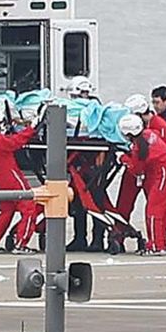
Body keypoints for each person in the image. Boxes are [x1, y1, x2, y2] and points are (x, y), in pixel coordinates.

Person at [114, 94, 166, 253]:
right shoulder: (148, 134)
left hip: (160, 173)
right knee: (160, 210)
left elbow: (137, 168)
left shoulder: (148, 137)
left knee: (154, 210)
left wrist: (123, 158)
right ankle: (163, 242)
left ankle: (157, 245)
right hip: (165, 170)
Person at [0, 109, 41, 254]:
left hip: (0, 182)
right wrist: (31, 128)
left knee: (6, 211)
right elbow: (16, 142)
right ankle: (21, 244)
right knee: (29, 208)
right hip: (13, 179)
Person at [66, 76, 104, 251]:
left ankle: (95, 239)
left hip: (87, 159)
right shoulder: (94, 107)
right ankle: (84, 238)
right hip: (85, 158)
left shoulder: (87, 108)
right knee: (85, 198)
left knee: (93, 198)